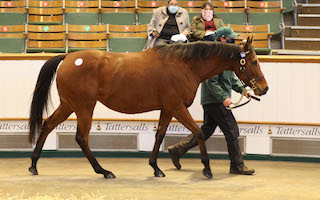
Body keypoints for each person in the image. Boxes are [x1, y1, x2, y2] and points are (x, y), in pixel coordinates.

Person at [167, 26, 255, 175]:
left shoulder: (228, 57)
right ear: (222, 39)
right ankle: (237, 165)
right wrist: (224, 98)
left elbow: (233, 79)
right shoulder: (215, 59)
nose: (233, 41)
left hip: (213, 101)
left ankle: (177, 150)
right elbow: (211, 83)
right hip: (215, 101)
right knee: (232, 130)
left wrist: (243, 90)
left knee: (206, 130)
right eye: (230, 38)